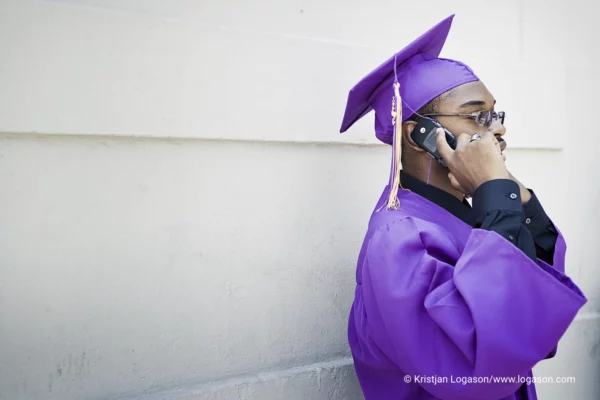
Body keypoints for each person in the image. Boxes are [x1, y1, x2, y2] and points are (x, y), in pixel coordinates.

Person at [339, 14, 586, 400]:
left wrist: (515, 201)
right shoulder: (399, 239)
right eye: (476, 116)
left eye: (495, 115)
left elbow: (531, 331)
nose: (498, 129)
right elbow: (475, 369)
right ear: (419, 135)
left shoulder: (471, 217)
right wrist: (494, 198)